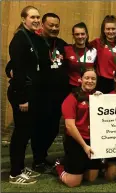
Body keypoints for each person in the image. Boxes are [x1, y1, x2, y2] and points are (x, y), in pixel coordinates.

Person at [7, 5, 52, 184]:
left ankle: (20, 166)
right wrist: (22, 98)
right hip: (22, 95)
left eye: (37, 17)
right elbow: (17, 70)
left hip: (33, 94)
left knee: (27, 133)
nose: (35, 20)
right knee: (20, 134)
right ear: (23, 19)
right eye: (32, 17)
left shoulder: (34, 38)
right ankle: (14, 173)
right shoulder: (19, 39)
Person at [31, 12, 70, 173]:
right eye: (51, 25)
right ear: (43, 25)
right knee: (39, 127)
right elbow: (18, 62)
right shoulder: (34, 42)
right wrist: (10, 69)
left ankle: (43, 155)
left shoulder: (62, 44)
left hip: (58, 96)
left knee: (53, 128)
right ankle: (37, 160)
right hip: (40, 95)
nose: (54, 28)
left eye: (56, 26)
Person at [54, 68, 102, 187]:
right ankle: (59, 165)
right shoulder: (72, 98)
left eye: (93, 78)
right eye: (87, 78)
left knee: (91, 178)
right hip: (76, 140)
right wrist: (85, 146)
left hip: (93, 140)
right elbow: (69, 126)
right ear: (80, 79)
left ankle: (80, 165)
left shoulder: (98, 96)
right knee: (73, 183)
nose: (90, 81)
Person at [90, 15, 116, 94]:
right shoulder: (97, 43)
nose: (111, 31)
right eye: (108, 29)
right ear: (103, 30)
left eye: (113, 29)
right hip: (102, 82)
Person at [64, 22, 97, 90]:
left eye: (82, 34)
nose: (80, 36)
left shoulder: (93, 51)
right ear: (73, 36)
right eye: (77, 34)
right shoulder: (66, 50)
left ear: (86, 35)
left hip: (88, 87)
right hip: (71, 87)